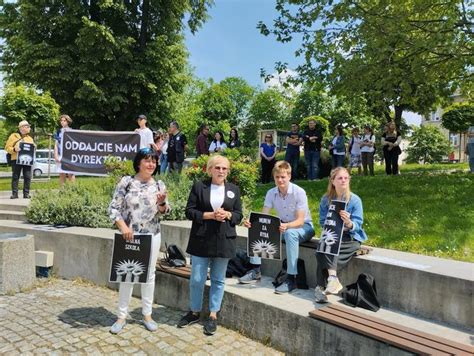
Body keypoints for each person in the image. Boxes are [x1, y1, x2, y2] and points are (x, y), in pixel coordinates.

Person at [177, 155, 242, 335]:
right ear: (210, 169)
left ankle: (213, 315)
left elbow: (239, 215)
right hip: (201, 238)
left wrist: (227, 215)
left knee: (218, 280)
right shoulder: (200, 186)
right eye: (217, 167)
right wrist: (209, 215)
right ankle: (194, 312)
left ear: (228, 171)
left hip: (224, 240)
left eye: (224, 168)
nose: (221, 171)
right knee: (197, 278)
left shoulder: (234, 189)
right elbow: (189, 211)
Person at [108, 147, 170, 334]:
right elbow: (113, 208)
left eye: (154, 161)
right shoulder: (126, 182)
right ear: (139, 162)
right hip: (130, 235)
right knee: (127, 275)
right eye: (147, 160)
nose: (151, 164)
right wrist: (124, 227)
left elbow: (166, 211)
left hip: (152, 235)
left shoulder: (159, 185)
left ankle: (147, 314)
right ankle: (121, 316)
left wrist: (162, 204)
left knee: (149, 276)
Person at [239, 161, 315, 294]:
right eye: (277, 177)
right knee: (258, 228)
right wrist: (252, 222)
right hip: (284, 226)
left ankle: (291, 278)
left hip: (304, 227)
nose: (280, 180)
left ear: (289, 176)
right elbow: (264, 215)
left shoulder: (299, 192)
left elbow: (300, 221)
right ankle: (255, 270)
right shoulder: (271, 193)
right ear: (274, 177)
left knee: (290, 234)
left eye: (283, 177)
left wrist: (286, 226)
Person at [314, 167, 368, 303]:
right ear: (333, 181)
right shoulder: (326, 199)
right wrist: (333, 223)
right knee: (323, 248)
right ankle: (332, 280)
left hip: (350, 238)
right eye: (340, 178)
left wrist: (348, 223)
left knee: (325, 249)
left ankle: (321, 288)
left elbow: (358, 225)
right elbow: (322, 221)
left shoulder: (355, 200)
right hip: (332, 234)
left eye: (346, 178)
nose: (344, 180)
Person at [5, 120, 35, 199]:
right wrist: (14, 149)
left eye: (29, 126)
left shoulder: (30, 138)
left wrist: (34, 147)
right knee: (15, 176)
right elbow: (7, 148)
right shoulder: (13, 136)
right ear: (22, 128)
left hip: (27, 160)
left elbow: (32, 149)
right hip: (15, 159)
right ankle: (15, 194)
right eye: (27, 126)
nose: (29, 128)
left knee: (27, 176)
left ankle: (26, 194)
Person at [54, 114, 76, 186]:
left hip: (69, 156)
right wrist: (56, 156)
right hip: (60, 155)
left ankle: (72, 190)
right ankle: (62, 191)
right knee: (61, 173)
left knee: (70, 174)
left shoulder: (71, 131)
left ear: (68, 122)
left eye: (64, 121)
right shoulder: (58, 132)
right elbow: (56, 145)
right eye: (61, 121)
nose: (62, 122)